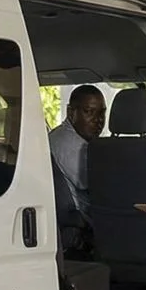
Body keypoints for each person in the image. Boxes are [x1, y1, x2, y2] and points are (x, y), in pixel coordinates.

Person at [48, 85, 105, 220]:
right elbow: (101, 187)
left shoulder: (59, 135)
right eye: (89, 112)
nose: (98, 119)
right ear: (70, 112)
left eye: (101, 113)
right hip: (82, 223)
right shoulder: (70, 145)